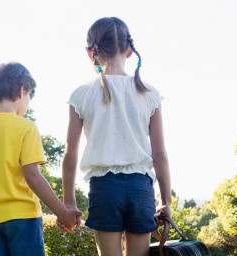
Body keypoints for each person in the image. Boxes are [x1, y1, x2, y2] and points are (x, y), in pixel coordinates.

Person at [61, 17, 172, 256]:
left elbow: (70, 154)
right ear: (129, 50)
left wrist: (68, 203)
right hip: (141, 188)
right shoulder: (150, 94)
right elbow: (159, 153)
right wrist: (166, 201)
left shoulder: (81, 95)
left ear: (90, 52)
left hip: (104, 188)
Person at [0, 62, 82, 256]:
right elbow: (33, 176)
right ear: (23, 89)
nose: (27, 104)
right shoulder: (26, 127)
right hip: (23, 218)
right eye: (29, 98)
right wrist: (63, 213)